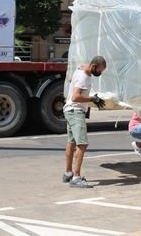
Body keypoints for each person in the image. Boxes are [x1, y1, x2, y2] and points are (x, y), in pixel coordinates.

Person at [62, 55, 107, 188]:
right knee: (82, 144)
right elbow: (75, 97)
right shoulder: (84, 77)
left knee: (71, 142)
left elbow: (72, 81)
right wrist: (92, 99)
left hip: (69, 110)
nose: (99, 73)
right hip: (76, 111)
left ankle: (68, 173)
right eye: (99, 70)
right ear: (93, 66)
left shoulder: (80, 69)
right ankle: (76, 177)